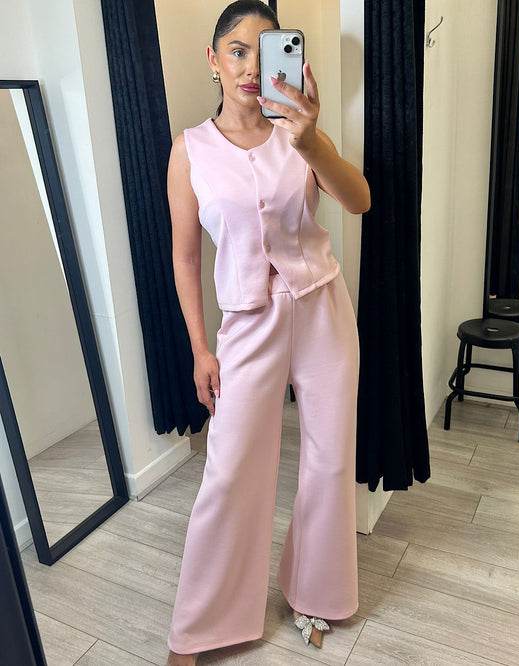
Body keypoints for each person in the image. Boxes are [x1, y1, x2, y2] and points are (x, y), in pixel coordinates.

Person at [165, 2, 370, 664]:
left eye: (265, 50)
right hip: (247, 324)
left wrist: (311, 140)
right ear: (213, 59)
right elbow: (186, 257)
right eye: (236, 50)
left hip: (322, 310)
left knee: (329, 460)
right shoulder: (189, 151)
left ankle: (314, 593)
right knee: (230, 469)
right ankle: (200, 627)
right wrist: (200, 348)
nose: (251, 66)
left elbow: (359, 199)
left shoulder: (297, 132)